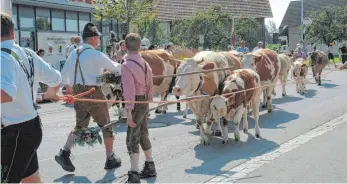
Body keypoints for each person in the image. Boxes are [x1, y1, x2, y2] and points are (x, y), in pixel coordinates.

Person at [1, 12, 62, 183]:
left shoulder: (2, 57)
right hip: (31, 127)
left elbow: (6, 94)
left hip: (14, 132)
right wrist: (51, 93)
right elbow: (56, 77)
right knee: (31, 179)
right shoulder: (27, 53)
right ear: (12, 33)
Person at [56, 22, 122, 172]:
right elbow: (115, 67)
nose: (98, 40)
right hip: (92, 92)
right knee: (106, 124)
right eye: (97, 37)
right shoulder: (94, 54)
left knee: (81, 125)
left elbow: (64, 74)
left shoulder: (74, 53)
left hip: (78, 92)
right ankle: (110, 157)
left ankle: (64, 152)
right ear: (92, 38)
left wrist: (69, 89)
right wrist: (127, 67)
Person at [122, 33, 157, 183]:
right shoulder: (144, 63)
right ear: (139, 46)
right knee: (143, 133)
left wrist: (128, 111)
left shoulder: (126, 65)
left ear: (125, 46)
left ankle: (134, 172)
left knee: (132, 138)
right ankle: (150, 165)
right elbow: (150, 85)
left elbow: (129, 91)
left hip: (135, 103)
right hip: (144, 103)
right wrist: (147, 103)